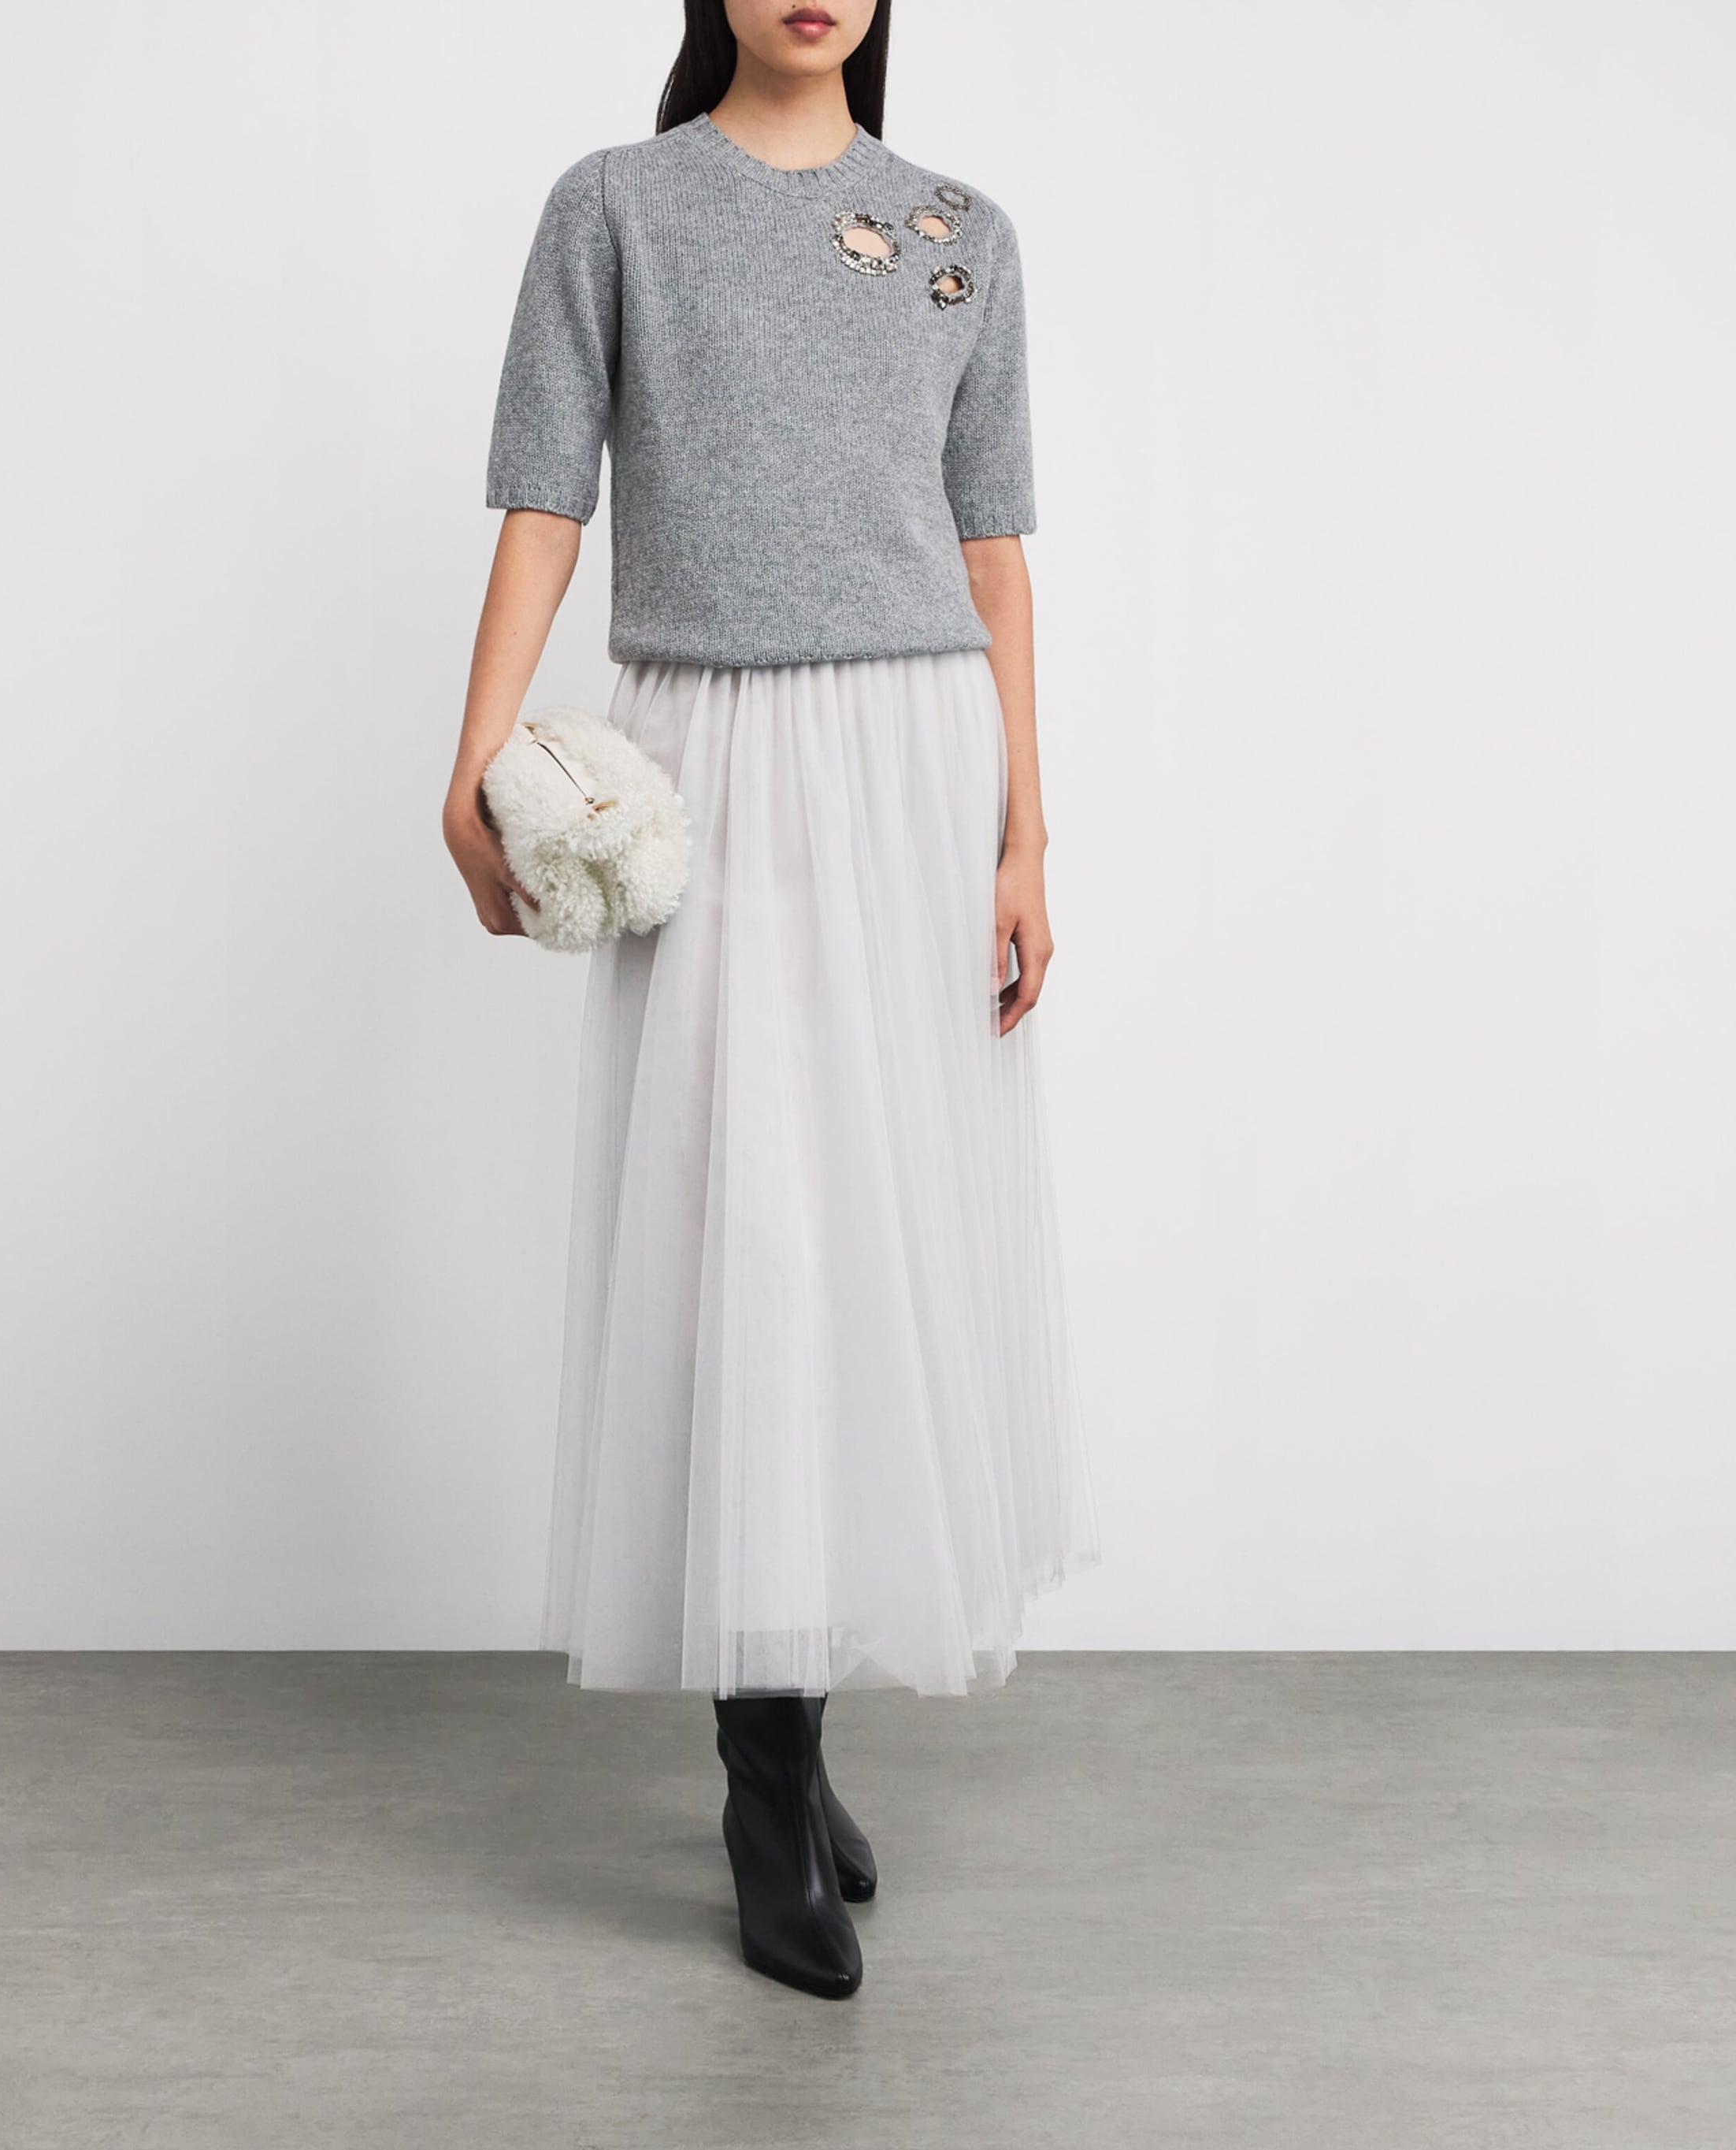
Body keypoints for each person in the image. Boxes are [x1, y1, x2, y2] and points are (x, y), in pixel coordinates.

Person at [442, 0, 1099, 2000]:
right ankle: (762, 1760)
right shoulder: (618, 208)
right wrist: (475, 756)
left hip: (914, 763)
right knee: (751, 1234)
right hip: (708, 753)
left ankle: (801, 1722)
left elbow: (994, 559)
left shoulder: (962, 229)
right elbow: (546, 500)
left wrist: (1026, 837)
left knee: (877, 1233)